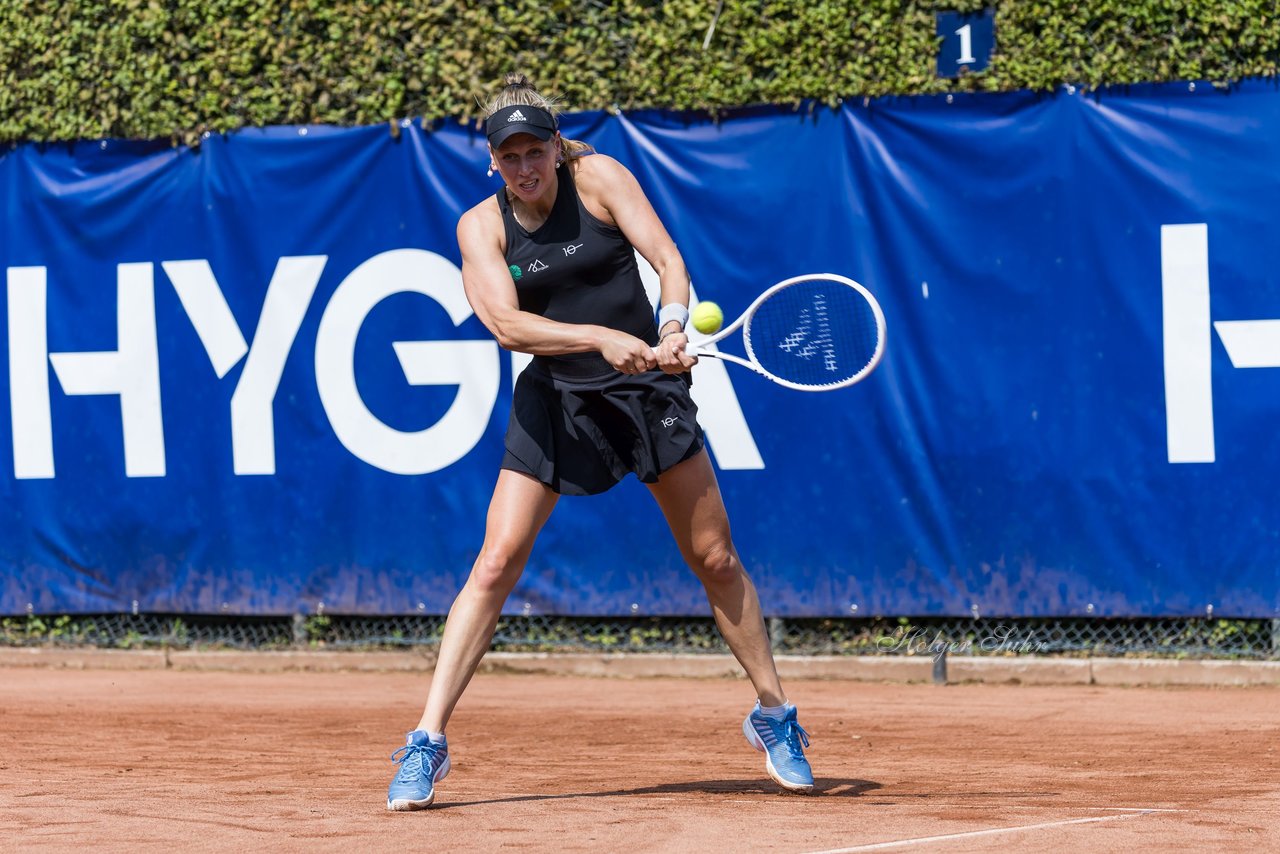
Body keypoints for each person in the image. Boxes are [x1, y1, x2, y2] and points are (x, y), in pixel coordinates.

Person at [386, 73, 814, 810]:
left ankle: (774, 717)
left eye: (534, 150)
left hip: (647, 394)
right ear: (492, 161)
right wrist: (597, 338)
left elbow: (669, 262)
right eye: (508, 155)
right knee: (494, 563)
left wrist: (672, 327)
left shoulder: (601, 178)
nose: (524, 167)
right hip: (557, 398)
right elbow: (505, 326)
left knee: (714, 556)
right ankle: (426, 741)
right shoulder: (479, 228)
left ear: (556, 146)